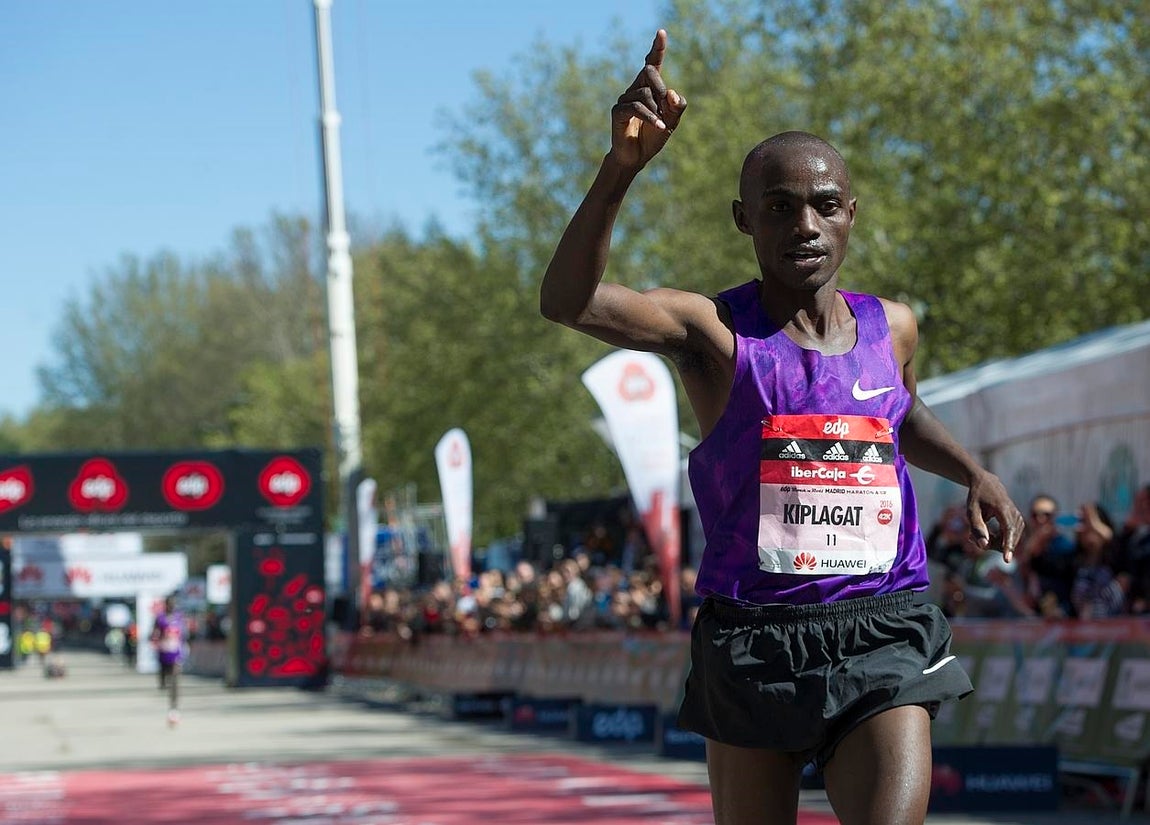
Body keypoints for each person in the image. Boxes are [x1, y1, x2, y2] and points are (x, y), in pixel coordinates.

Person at [540, 30, 1024, 825]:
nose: (805, 223)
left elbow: (901, 412)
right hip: (754, 637)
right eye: (779, 206)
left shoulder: (892, 326)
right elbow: (567, 301)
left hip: (882, 623)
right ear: (744, 220)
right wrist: (620, 169)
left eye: (825, 205)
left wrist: (976, 471)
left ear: (850, 216)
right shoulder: (714, 334)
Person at [150, 595, 186, 726]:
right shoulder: (160, 618)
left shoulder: (179, 617)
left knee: (175, 678)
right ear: (165, 605)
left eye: (173, 603)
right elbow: (154, 633)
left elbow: (184, 633)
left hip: (176, 652)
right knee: (164, 681)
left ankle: (174, 707)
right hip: (164, 652)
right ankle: (162, 681)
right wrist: (156, 639)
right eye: (169, 603)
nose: (171, 605)